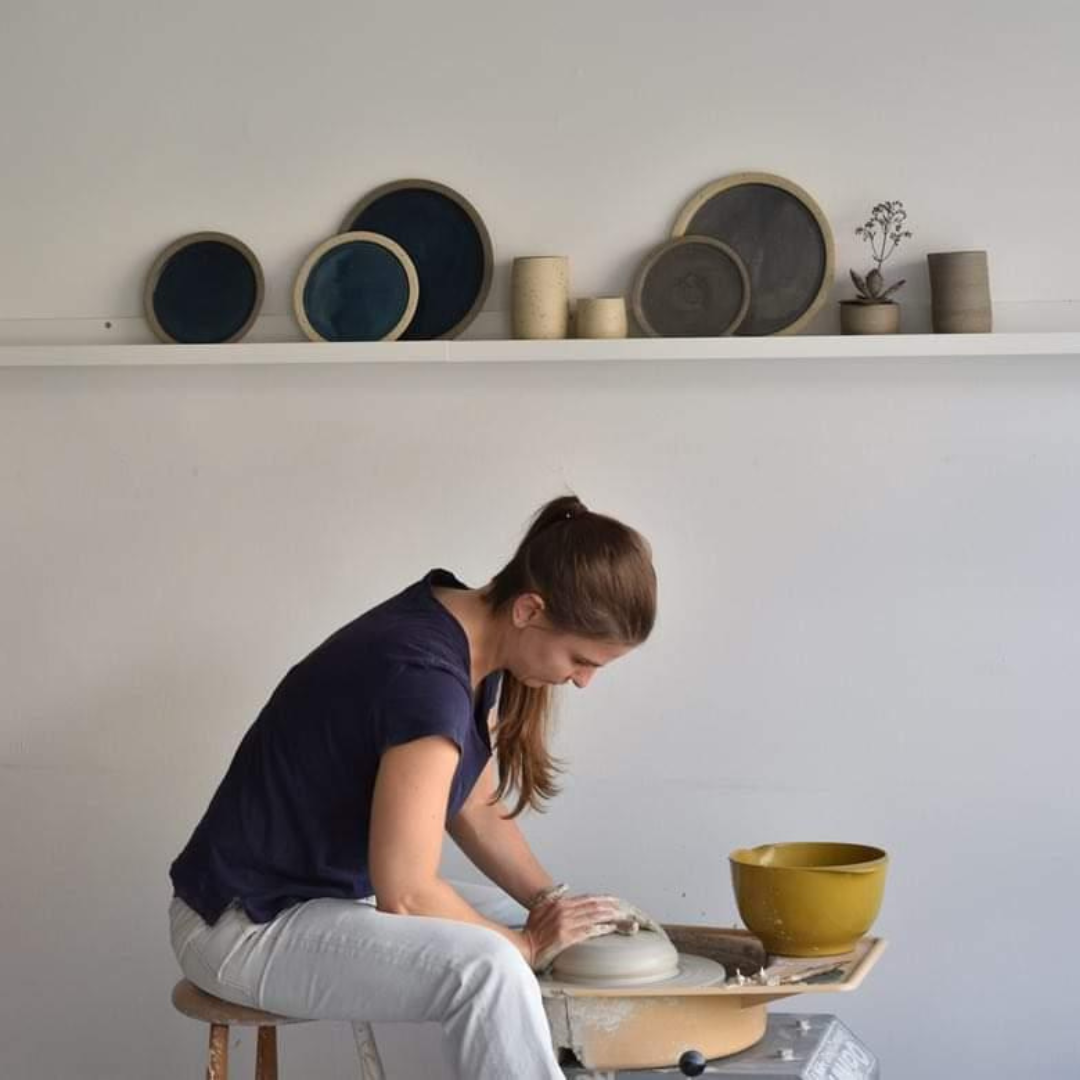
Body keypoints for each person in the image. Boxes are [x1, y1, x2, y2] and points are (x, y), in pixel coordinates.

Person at [168, 493, 658, 1079]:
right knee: (491, 968)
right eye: (582, 660)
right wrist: (525, 945)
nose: (583, 682)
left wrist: (548, 904)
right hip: (243, 925)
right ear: (530, 609)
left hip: (322, 897)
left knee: (555, 937)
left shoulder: (468, 640)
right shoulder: (426, 678)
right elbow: (406, 893)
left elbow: (471, 803)